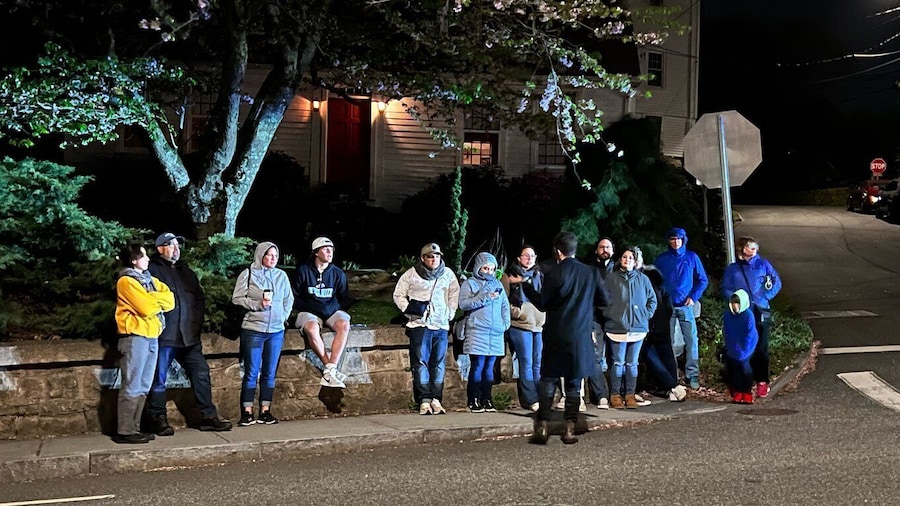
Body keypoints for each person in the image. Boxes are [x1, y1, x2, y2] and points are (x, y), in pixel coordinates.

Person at [514, 231, 609, 445]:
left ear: (558, 251)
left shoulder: (553, 272)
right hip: (580, 334)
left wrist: (526, 286)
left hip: (556, 334)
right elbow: (605, 299)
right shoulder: (591, 273)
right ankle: (569, 428)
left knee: (549, 379)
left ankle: (543, 425)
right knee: (574, 383)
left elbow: (544, 303)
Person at [146, 233, 231, 435]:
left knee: (201, 374)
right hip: (165, 337)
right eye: (171, 245)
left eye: (178, 245)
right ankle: (157, 418)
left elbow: (199, 299)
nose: (176, 248)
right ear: (160, 248)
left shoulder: (187, 272)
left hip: (189, 337)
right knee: (159, 379)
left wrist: (196, 323)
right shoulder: (152, 271)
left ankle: (208, 417)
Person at [114, 244, 175, 444]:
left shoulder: (150, 280)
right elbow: (147, 308)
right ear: (133, 260)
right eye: (143, 255)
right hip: (135, 336)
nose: (148, 258)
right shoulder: (126, 281)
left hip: (151, 335)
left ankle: (135, 427)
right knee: (132, 384)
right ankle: (125, 429)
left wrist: (151, 297)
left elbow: (170, 300)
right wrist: (154, 299)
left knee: (144, 384)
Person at [392, 243, 460, 415]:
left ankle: (437, 398)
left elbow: (454, 293)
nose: (434, 259)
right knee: (421, 362)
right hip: (420, 324)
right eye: (430, 256)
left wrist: (450, 313)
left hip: (441, 325)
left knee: (438, 363)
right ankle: (424, 399)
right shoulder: (411, 274)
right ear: (423, 258)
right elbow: (398, 293)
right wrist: (408, 310)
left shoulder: (447, 273)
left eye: (437, 256)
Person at [232, 241, 294, 426]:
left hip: (276, 331)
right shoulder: (249, 274)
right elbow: (237, 298)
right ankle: (247, 411)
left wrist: (282, 316)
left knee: (270, 372)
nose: (273, 259)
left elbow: (288, 299)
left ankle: (266, 410)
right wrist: (256, 306)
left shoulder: (281, 276)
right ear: (261, 256)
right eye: (269, 255)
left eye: (276, 255)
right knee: (251, 371)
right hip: (254, 329)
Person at [720, 237, 782, 398]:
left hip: (760, 309)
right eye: (749, 246)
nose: (753, 249)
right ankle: (742, 383)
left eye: (754, 246)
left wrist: (766, 296)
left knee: (761, 346)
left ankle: (762, 380)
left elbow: (776, 282)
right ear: (742, 249)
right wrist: (735, 300)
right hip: (742, 312)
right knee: (742, 346)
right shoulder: (733, 269)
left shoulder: (763, 264)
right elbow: (726, 288)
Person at [292, 237, 353, 389]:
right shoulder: (303, 270)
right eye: (325, 249)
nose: (329, 252)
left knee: (344, 324)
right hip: (309, 310)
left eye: (331, 249)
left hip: (331, 310)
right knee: (311, 328)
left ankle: (331, 367)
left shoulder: (337, 273)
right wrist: (308, 307)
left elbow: (345, 297)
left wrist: (335, 308)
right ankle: (330, 368)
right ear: (316, 252)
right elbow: (294, 296)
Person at [602, 247, 657, 409]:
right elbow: (602, 299)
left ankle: (630, 395)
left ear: (635, 261)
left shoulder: (643, 279)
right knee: (618, 363)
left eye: (630, 258)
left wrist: (644, 315)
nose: (627, 260)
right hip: (616, 327)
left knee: (632, 363)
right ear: (620, 260)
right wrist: (611, 314)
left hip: (638, 328)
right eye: (624, 257)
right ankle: (615, 395)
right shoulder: (611, 278)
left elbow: (652, 300)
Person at [655, 227, 708, 390]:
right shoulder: (662, 259)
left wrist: (694, 297)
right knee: (668, 342)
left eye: (678, 239)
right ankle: (672, 375)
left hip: (686, 306)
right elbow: (655, 281)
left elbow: (702, 280)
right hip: (668, 307)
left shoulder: (692, 257)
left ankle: (692, 374)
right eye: (672, 239)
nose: (675, 242)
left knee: (691, 340)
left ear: (683, 240)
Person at [459, 252, 511, 413]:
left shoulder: (498, 284)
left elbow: (505, 306)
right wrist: (484, 296)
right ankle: (473, 400)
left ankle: (487, 399)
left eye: (492, 269)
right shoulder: (470, 284)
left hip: (495, 333)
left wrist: (505, 324)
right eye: (485, 268)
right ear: (478, 267)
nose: (488, 271)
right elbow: (464, 304)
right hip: (477, 331)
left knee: (490, 368)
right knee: (478, 366)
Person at [636, 248, 687, 403]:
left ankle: (672, 386)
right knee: (666, 355)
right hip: (660, 321)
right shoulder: (655, 276)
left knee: (652, 356)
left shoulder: (641, 278)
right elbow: (665, 299)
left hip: (650, 324)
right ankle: (672, 387)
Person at [501, 245, 545, 412]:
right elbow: (504, 301)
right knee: (526, 362)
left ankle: (539, 397)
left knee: (537, 363)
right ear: (519, 258)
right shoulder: (509, 276)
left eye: (532, 255)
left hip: (538, 325)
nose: (529, 258)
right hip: (520, 325)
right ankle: (531, 399)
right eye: (525, 255)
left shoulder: (540, 276)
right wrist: (517, 312)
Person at [584, 237, 615, 409]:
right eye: (601, 247)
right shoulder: (588, 270)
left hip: (615, 319)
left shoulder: (618, 269)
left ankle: (620, 392)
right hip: (595, 318)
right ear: (596, 250)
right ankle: (601, 395)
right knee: (595, 356)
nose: (605, 250)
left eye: (608, 247)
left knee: (617, 358)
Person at [723, 289, 758, 404]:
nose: (735, 306)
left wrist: (744, 349)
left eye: (737, 303)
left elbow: (750, 334)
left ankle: (747, 392)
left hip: (746, 347)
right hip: (733, 347)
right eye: (733, 303)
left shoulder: (748, 315)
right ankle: (738, 391)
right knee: (735, 370)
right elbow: (727, 331)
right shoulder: (728, 315)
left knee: (745, 368)